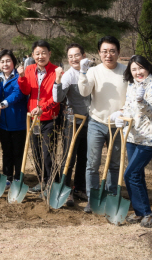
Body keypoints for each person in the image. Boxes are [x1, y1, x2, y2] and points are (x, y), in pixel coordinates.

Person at [114, 55, 152, 228]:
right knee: (137, 175)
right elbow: (129, 107)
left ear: (148, 67)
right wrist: (119, 115)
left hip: (149, 138)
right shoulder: (132, 85)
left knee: (131, 174)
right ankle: (139, 213)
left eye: (141, 68)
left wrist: (141, 101)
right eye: (134, 69)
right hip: (132, 136)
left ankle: (148, 214)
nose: (138, 72)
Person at [78, 36, 127, 213]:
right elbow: (84, 91)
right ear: (99, 53)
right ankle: (92, 199)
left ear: (118, 52)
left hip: (118, 125)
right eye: (104, 51)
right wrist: (82, 74)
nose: (108, 55)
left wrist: (124, 113)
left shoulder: (126, 71)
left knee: (114, 164)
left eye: (112, 51)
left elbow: (131, 98)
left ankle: (111, 197)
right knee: (92, 163)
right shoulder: (93, 71)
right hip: (97, 123)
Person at [17, 40, 60, 195]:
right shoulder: (29, 69)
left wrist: (43, 108)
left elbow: (57, 97)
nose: (40, 56)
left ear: (49, 54)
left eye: (43, 53)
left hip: (49, 117)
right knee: (35, 151)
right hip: (33, 118)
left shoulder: (56, 71)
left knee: (47, 152)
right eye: (37, 53)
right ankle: (42, 180)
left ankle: (51, 183)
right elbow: (26, 90)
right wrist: (21, 77)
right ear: (33, 55)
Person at [53, 43, 92, 206]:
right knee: (69, 157)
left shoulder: (92, 72)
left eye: (77, 55)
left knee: (85, 157)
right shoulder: (68, 75)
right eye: (70, 56)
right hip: (72, 123)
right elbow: (58, 98)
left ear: (83, 56)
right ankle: (65, 189)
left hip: (90, 122)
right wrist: (58, 80)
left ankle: (80, 188)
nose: (74, 59)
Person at [0, 50, 28, 189]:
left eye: (8, 61)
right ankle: (7, 177)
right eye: (2, 61)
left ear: (13, 62)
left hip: (18, 121)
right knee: (6, 150)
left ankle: (18, 177)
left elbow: (18, 94)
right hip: (2, 122)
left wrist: (2, 105)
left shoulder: (19, 77)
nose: (5, 64)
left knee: (18, 151)